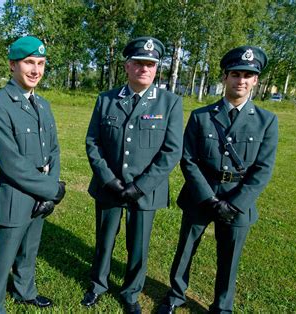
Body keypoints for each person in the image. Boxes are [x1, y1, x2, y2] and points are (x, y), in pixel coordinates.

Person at [158, 46, 278, 314]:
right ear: (225, 77)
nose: (241, 80)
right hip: (201, 195)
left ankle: (222, 307)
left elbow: (263, 168)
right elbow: (187, 158)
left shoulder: (266, 121)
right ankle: (175, 296)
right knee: (185, 250)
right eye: (236, 74)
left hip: (238, 199)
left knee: (229, 257)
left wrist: (235, 204)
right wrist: (208, 198)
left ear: (256, 80)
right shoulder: (201, 116)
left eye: (248, 75)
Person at [82, 36, 183, 313]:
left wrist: (140, 187)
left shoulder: (169, 103)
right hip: (109, 187)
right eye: (138, 63)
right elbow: (93, 142)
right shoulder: (107, 99)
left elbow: (171, 151)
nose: (144, 68)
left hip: (145, 191)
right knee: (104, 241)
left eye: (150, 64)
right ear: (127, 66)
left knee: (138, 246)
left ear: (156, 69)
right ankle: (97, 285)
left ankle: (131, 292)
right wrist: (108, 179)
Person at [0, 35, 66, 313]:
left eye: (41, 63)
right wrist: (51, 190)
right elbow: (12, 163)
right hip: (15, 197)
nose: (36, 70)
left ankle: (24, 291)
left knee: (29, 250)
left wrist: (49, 188)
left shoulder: (43, 104)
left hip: (40, 196)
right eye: (29, 62)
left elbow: (53, 150)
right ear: (12, 65)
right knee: (3, 257)